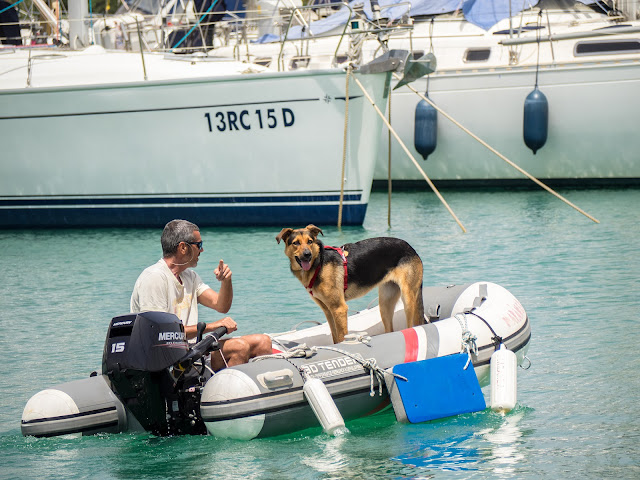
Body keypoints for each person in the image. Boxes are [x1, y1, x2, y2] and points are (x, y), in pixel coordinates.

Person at [130, 219, 272, 371]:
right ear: (183, 247)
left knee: (263, 342)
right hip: (169, 361)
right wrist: (212, 327)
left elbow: (221, 305)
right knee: (239, 347)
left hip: (193, 351)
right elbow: (159, 334)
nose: (202, 250)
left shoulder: (190, 277)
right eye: (199, 245)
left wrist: (226, 281)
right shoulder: (154, 278)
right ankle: (225, 393)